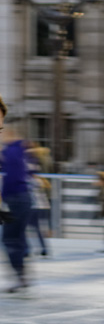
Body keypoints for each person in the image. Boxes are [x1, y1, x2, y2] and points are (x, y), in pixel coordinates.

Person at [1, 108, 34, 293]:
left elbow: (13, 178)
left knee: (10, 238)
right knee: (17, 238)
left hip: (15, 199)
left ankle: (20, 276)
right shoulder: (20, 149)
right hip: (23, 198)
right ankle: (22, 275)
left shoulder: (12, 151)